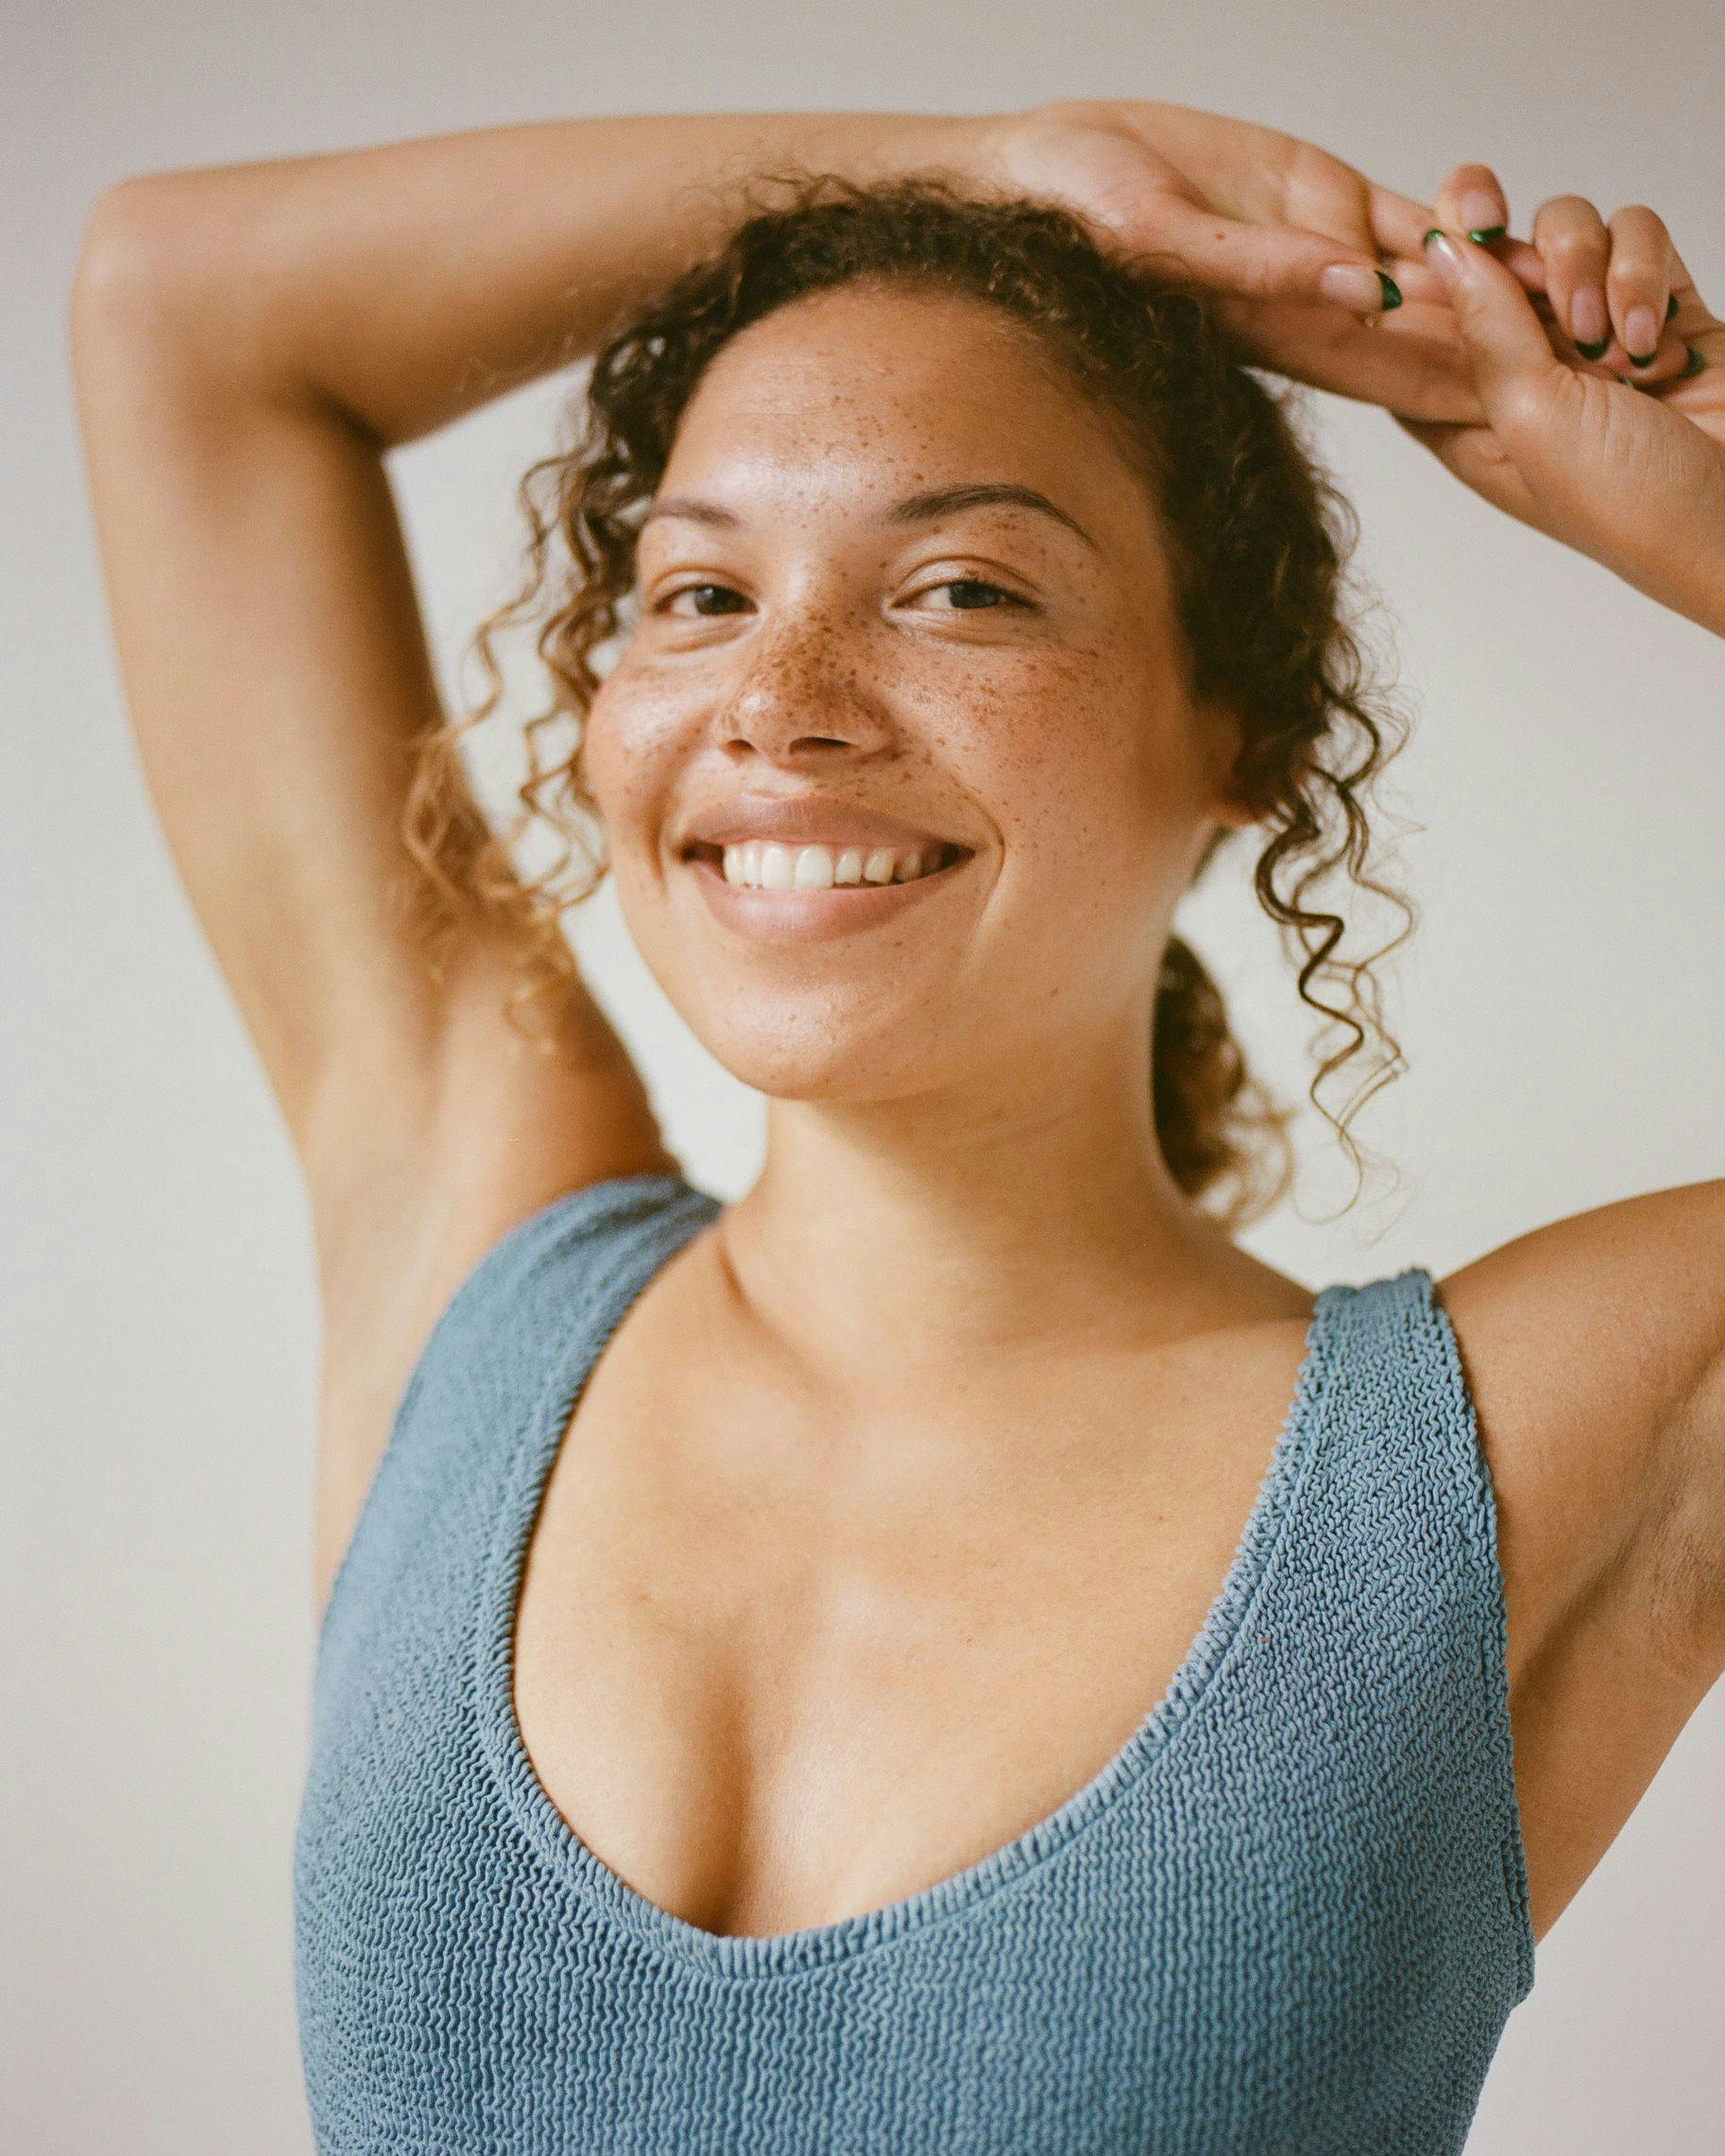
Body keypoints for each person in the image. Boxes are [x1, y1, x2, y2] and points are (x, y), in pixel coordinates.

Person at [70, 99, 1722, 2153]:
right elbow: (180, 306)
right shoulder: (467, 1277)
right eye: (695, 593)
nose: (782, 696)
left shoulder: (1524, 1444)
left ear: (1243, 727)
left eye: (957, 589)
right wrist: (985, 169)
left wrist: (1677, 499)